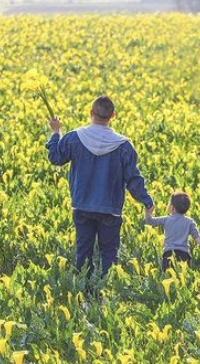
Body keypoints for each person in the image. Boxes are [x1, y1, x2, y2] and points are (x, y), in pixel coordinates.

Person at [46, 95, 154, 277]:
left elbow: (56, 158)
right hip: (110, 209)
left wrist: (56, 133)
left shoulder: (74, 138)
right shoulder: (123, 145)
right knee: (109, 255)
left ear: (90, 113)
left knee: (84, 253)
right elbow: (133, 178)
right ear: (113, 116)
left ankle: (84, 297)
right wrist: (146, 201)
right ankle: (107, 296)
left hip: (82, 205)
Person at [145, 191, 200, 271]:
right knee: (183, 279)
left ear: (172, 208)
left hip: (168, 254)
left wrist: (148, 212)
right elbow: (197, 236)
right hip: (184, 255)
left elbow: (150, 222)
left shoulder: (166, 219)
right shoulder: (189, 221)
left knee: (168, 277)